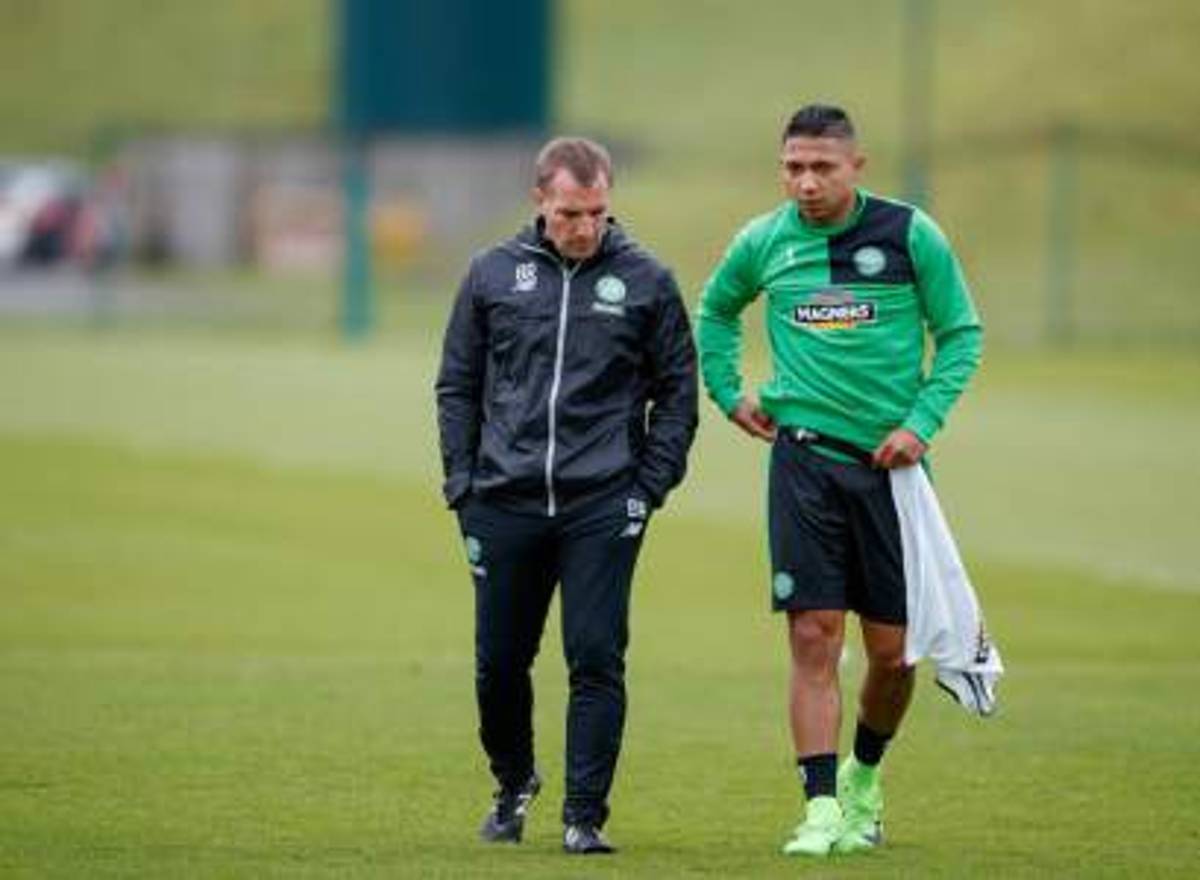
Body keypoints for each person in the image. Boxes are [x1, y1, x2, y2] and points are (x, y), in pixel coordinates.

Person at [696, 104, 983, 857]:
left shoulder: (910, 235)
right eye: (793, 167)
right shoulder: (763, 241)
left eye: (822, 167)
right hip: (803, 463)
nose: (806, 182)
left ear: (857, 165)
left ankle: (864, 775)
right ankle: (820, 807)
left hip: (889, 473)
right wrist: (728, 393)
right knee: (813, 635)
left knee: (892, 656)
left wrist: (921, 422)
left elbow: (961, 334)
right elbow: (715, 311)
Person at [435, 137, 698, 855]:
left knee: (595, 658)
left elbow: (678, 395)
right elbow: (458, 384)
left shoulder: (647, 281)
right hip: (503, 499)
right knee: (499, 664)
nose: (585, 227)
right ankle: (514, 782)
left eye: (597, 212)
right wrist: (462, 484)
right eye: (569, 213)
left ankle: (584, 816)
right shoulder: (492, 273)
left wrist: (649, 487)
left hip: (602, 504)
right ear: (539, 202)